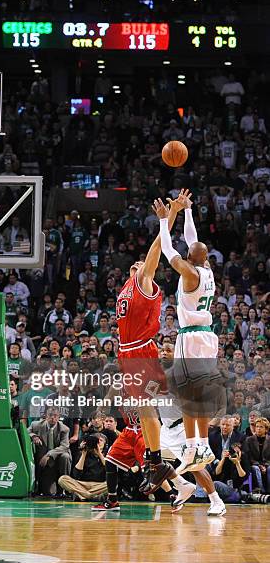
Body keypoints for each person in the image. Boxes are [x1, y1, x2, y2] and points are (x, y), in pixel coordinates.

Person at [93, 191, 190, 511]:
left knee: (148, 410)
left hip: (141, 352)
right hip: (129, 353)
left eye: (141, 263)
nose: (138, 263)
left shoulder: (144, 283)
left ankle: (156, 463)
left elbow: (158, 248)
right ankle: (157, 465)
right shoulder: (127, 287)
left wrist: (169, 216)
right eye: (136, 264)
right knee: (145, 409)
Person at [157, 193, 219, 473]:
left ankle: (197, 446)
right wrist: (189, 212)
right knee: (199, 391)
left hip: (191, 335)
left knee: (187, 392)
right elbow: (192, 239)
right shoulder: (207, 270)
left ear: (191, 257)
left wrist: (163, 221)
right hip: (208, 335)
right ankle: (199, 446)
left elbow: (169, 252)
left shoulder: (190, 273)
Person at [158, 344, 227, 516]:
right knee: (152, 460)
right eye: (162, 350)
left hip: (183, 428)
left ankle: (216, 500)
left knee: (195, 466)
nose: (164, 353)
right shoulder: (158, 375)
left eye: (168, 350)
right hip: (166, 429)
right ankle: (183, 486)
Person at [28, 407, 72, 496]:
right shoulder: (35, 425)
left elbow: (64, 446)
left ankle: (64, 488)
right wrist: (34, 436)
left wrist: (49, 455)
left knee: (65, 456)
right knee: (48, 493)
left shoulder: (64, 429)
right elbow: (26, 432)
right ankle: (36, 486)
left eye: (55, 416)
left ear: (59, 417)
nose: (53, 418)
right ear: (45, 416)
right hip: (42, 459)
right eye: (50, 416)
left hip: (58, 457)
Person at [58, 433, 107, 500]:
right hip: (81, 484)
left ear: (105, 444)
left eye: (100, 440)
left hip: (99, 485)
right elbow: (76, 475)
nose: (97, 443)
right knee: (62, 479)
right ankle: (90, 496)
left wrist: (99, 453)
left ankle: (82, 495)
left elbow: (109, 470)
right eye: (95, 440)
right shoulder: (83, 453)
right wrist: (83, 454)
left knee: (113, 484)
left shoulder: (108, 455)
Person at [244, 417, 270, 493]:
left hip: (267, 465)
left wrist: (265, 465)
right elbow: (248, 456)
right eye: (257, 426)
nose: (258, 429)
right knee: (255, 468)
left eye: (261, 427)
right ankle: (261, 491)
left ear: (266, 429)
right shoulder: (249, 440)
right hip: (254, 464)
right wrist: (259, 465)